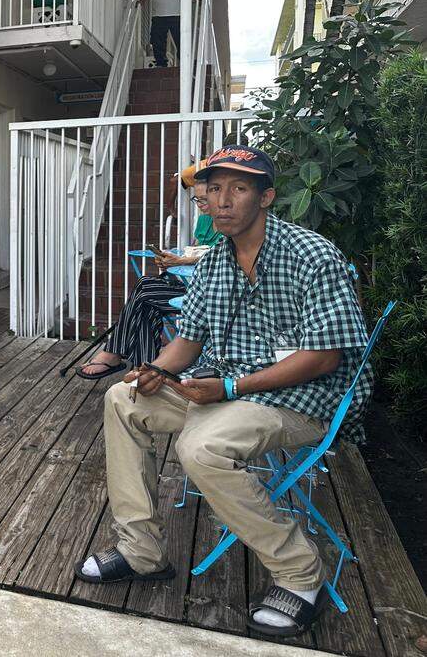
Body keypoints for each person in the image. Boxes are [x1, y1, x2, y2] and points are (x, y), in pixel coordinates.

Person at [73, 145, 368, 640]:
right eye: (213, 189)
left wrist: (230, 385)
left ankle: (300, 574)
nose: (223, 199)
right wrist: (154, 371)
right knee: (123, 400)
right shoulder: (212, 265)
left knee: (201, 446)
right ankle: (140, 551)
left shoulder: (312, 255)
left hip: (304, 398)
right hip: (227, 389)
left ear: (266, 196)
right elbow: (187, 342)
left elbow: (324, 358)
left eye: (239, 187)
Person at [75, 160, 222, 379]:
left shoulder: (229, 221)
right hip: (193, 285)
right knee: (148, 302)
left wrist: (180, 262)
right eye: (196, 199)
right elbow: (197, 251)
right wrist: (174, 258)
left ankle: (116, 354)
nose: (200, 204)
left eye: (204, 199)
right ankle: (145, 367)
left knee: (145, 290)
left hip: (211, 295)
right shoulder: (204, 220)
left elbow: (219, 255)